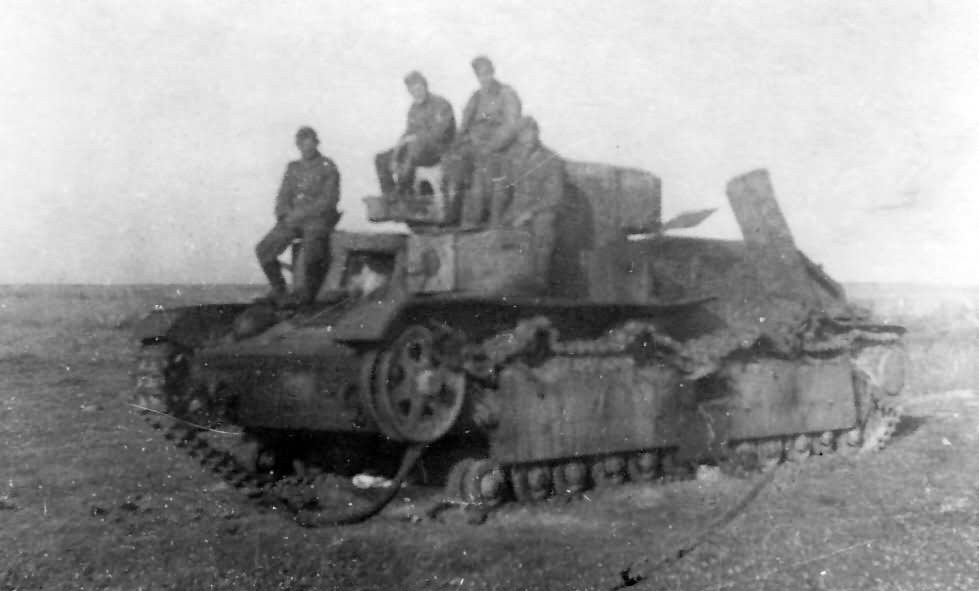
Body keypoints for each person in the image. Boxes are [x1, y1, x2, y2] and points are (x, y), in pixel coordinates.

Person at [255, 126, 341, 306]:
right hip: (293, 219)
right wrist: (282, 213)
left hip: (317, 219)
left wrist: (299, 215)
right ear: (297, 145)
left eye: (309, 143)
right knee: (264, 249)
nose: (306, 148)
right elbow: (283, 196)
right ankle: (281, 292)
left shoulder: (328, 166)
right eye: (302, 144)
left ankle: (306, 299)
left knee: (311, 254)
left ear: (317, 144)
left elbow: (328, 201)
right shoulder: (293, 168)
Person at [448, 55, 522, 228]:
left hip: (499, 146)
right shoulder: (476, 96)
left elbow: (511, 125)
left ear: (493, 72)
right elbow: (465, 124)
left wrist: (492, 145)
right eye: (481, 75)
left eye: (487, 73)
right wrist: (456, 145)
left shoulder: (507, 93)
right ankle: (453, 214)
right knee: (453, 164)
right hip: (475, 144)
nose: (485, 78)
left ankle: (477, 217)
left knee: (484, 170)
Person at [501, 116, 565, 286]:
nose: (528, 138)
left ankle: (539, 281)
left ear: (537, 134)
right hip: (517, 208)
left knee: (543, 227)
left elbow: (555, 195)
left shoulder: (551, 159)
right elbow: (503, 189)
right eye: (523, 134)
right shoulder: (513, 158)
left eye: (531, 133)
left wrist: (530, 213)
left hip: (541, 210)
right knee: (495, 231)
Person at [374, 71, 456, 197]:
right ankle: (389, 195)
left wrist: (417, 138)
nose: (416, 93)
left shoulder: (441, 104)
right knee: (381, 158)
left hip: (438, 152)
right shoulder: (414, 109)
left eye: (418, 89)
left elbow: (440, 133)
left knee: (413, 147)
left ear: (425, 86)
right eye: (412, 91)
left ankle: (403, 190)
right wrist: (397, 152)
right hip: (417, 150)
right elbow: (408, 132)